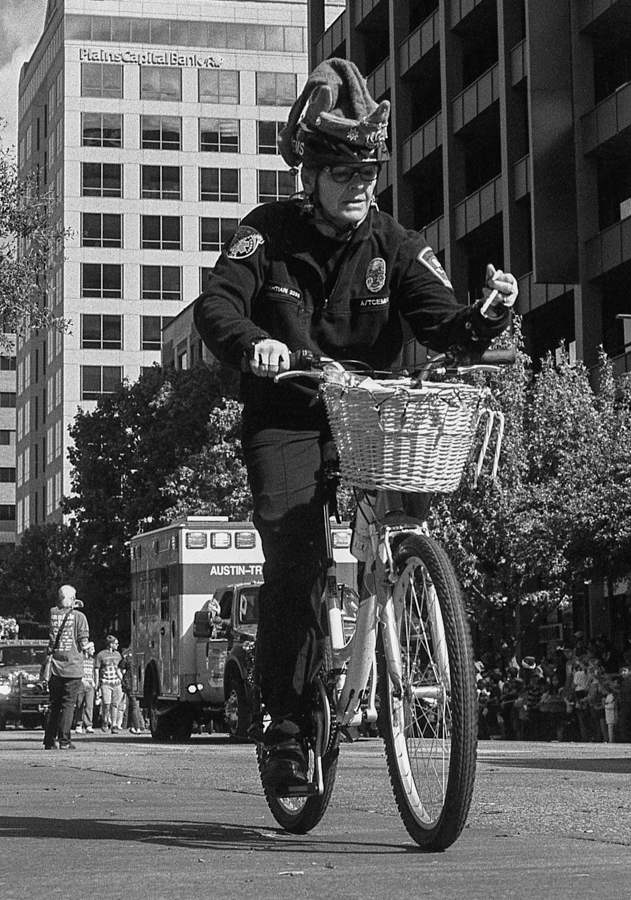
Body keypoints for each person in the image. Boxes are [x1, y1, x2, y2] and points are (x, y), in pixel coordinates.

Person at [192, 58, 517, 791]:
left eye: (368, 173)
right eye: (342, 174)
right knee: (297, 557)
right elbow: (218, 307)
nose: (358, 187)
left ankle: (402, 593)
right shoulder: (264, 234)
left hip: (374, 415)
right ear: (309, 175)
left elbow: (442, 323)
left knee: (405, 526)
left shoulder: (394, 243)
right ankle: (286, 724)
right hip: (290, 414)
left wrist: (489, 312)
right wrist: (256, 345)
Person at [43, 585, 89, 751]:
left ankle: (49, 740)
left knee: (54, 704)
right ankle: (64, 740)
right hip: (72, 666)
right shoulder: (79, 617)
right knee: (68, 704)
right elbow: (83, 641)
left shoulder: (53, 614)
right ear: (73, 599)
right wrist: (89, 646)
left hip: (55, 666)